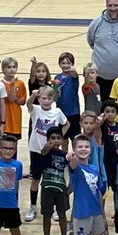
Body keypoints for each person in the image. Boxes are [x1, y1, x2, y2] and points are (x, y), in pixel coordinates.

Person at [25, 86, 68, 223]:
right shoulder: (36, 110)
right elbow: (28, 104)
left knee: (53, 178)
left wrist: (59, 139)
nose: (46, 101)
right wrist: (33, 95)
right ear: (39, 98)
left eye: (49, 98)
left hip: (52, 152)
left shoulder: (57, 111)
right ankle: (32, 207)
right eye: (43, 98)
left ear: (53, 99)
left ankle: (55, 208)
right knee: (36, 179)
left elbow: (66, 124)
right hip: (36, 149)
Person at [35, 129, 70, 235]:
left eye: (58, 138)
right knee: (46, 215)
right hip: (47, 188)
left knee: (62, 214)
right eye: (53, 138)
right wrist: (45, 148)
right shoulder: (45, 152)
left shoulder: (64, 155)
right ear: (48, 140)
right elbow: (43, 152)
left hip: (61, 188)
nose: (55, 140)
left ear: (62, 140)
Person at [0, 57, 27, 144]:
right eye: (9, 67)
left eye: (14, 67)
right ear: (3, 69)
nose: (12, 69)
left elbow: (22, 101)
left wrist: (16, 99)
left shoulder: (20, 83)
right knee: (4, 144)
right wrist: (12, 87)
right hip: (5, 119)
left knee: (14, 144)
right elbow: (10, 99)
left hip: (15, 118)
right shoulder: (0, 84)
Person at [55, 52, 82, 138]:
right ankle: (64, 152)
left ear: (72, 64)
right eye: (63, 63)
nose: (66, 65)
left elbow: (74, 74)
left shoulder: (73, 77)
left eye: (68, 63)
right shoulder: (57, 78)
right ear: (59, 64)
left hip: (73, 112)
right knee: (63, 138)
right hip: (61, 112)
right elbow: (55, 95)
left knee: (75, 137)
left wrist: (73, 70)